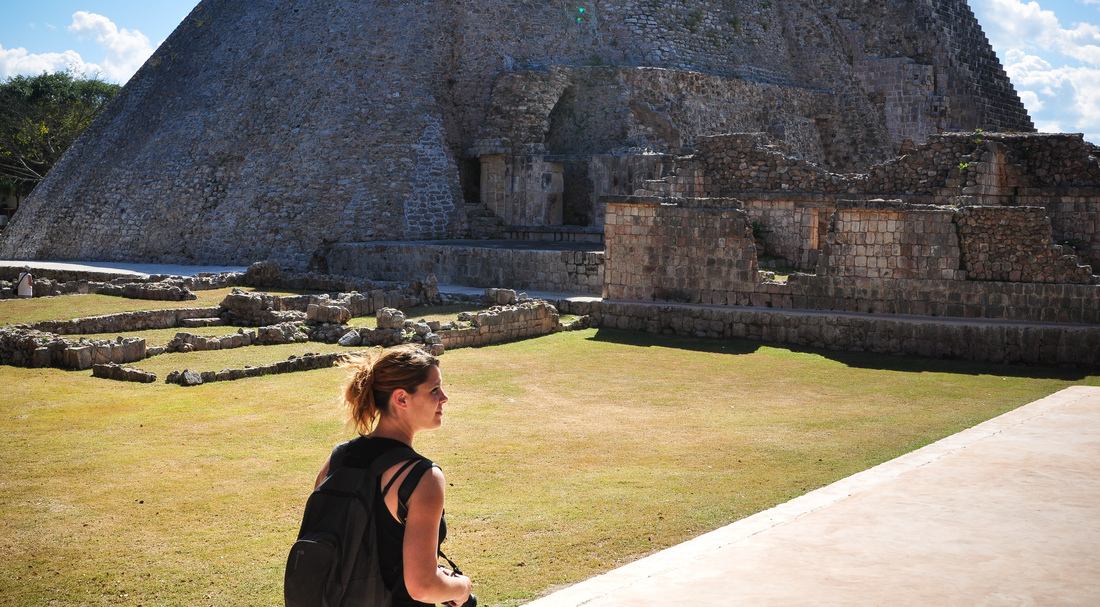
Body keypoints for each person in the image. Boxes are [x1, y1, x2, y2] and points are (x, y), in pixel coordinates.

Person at [314, 344, 473, 607]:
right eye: (434, 390)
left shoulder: (337, 459)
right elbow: (422, 586)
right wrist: (461, 587)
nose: (444, 397)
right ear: (401, 399)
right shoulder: (423, 477)